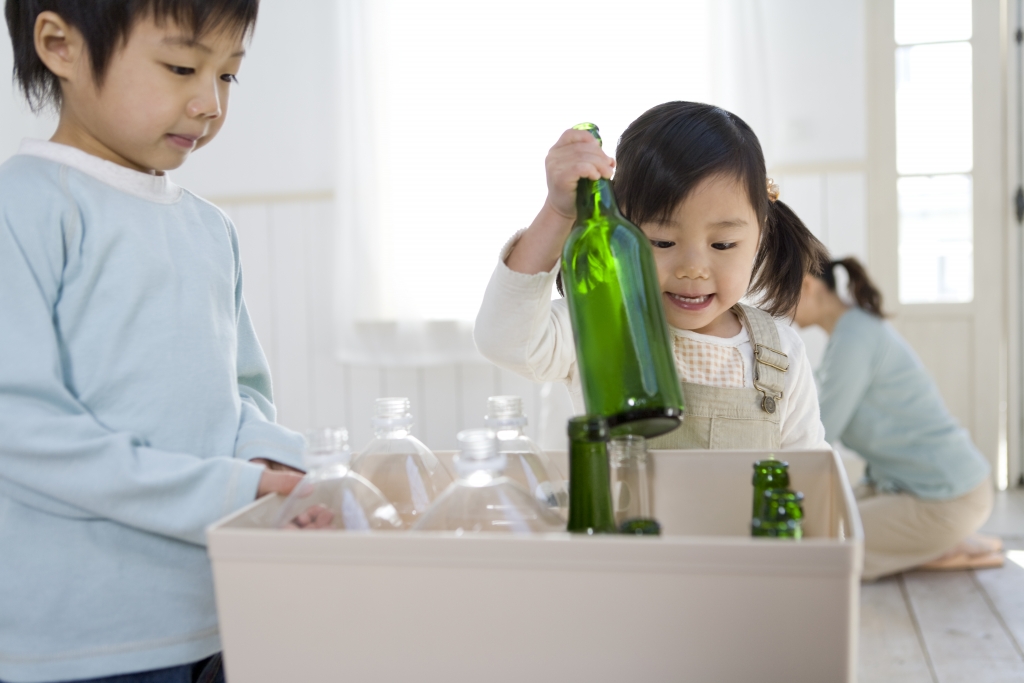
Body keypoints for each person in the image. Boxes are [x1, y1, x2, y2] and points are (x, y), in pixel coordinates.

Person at [0, 1, 311, 681]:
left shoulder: (208, 229)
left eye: (228, 75)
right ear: (60, 46)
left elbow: (243, 394)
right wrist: (233, 488)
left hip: (210, 611)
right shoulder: (23, 208)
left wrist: (270, 465)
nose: (209, 103)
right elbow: (19, 429)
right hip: (76, 642)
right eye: (181, 66)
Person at [475, 101, 830, 452]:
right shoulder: (600, 326)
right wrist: (557, 213)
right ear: (619, 234)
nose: (693, 267)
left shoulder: (780, 352)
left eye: (722, 244)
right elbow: (505, 339)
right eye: (662, 241)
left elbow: (810, 473)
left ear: (760, 235)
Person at [793, 256, 1000, 580]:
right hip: (906, 486)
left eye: (779, 292)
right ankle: (931, 543)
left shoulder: (854, 338)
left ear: (807, 285)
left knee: (824, 546)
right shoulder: (851, 330)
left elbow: (819, 430)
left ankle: (943, 544)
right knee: (814, 522)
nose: (776, 305)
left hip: (948, 497)